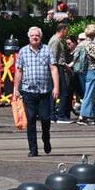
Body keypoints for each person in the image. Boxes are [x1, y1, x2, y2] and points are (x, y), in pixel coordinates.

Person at [13, 26, 59, 156]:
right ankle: (33, 149)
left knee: (45, 118)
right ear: (29, 37)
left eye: (37, 36)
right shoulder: (23, 51)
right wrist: (16, 89)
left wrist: (56, 87)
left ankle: (46, 139)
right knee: (31, 120)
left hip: (44, 91)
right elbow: (19, 71)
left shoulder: (47, 50)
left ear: (40, 37)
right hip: (28, 91)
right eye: (32, 36)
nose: (34, 37)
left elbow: (54, 69)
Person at [76, 24, 95, 125]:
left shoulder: (80, 45)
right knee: (89, 94)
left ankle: (94, 115)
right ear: (94, 35)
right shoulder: (93, 45)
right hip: (91, 71)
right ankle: (82, 117)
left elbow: (75, 56)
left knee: (88, 93)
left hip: (81, 72)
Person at [47, 22, 73, 123]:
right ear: (63, 30)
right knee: (63, 92)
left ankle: (52, 115)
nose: (67, 33)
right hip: (57, 68)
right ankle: (60, 116)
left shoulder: (56, 40)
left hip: (59, 67)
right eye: (66, 31)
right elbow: (53, 57)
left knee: (56, 92)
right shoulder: (55, 41)